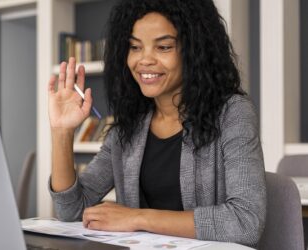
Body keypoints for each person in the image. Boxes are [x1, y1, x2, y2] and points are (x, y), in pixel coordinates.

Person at [47, 0, 266, 248]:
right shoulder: (130, 125)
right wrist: (62, 131)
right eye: (135, 47)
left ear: (194, 50)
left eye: (163, 47)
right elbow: (72, 209)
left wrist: (137, 217)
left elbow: (245, 222)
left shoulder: (232, 113)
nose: (144, 60)